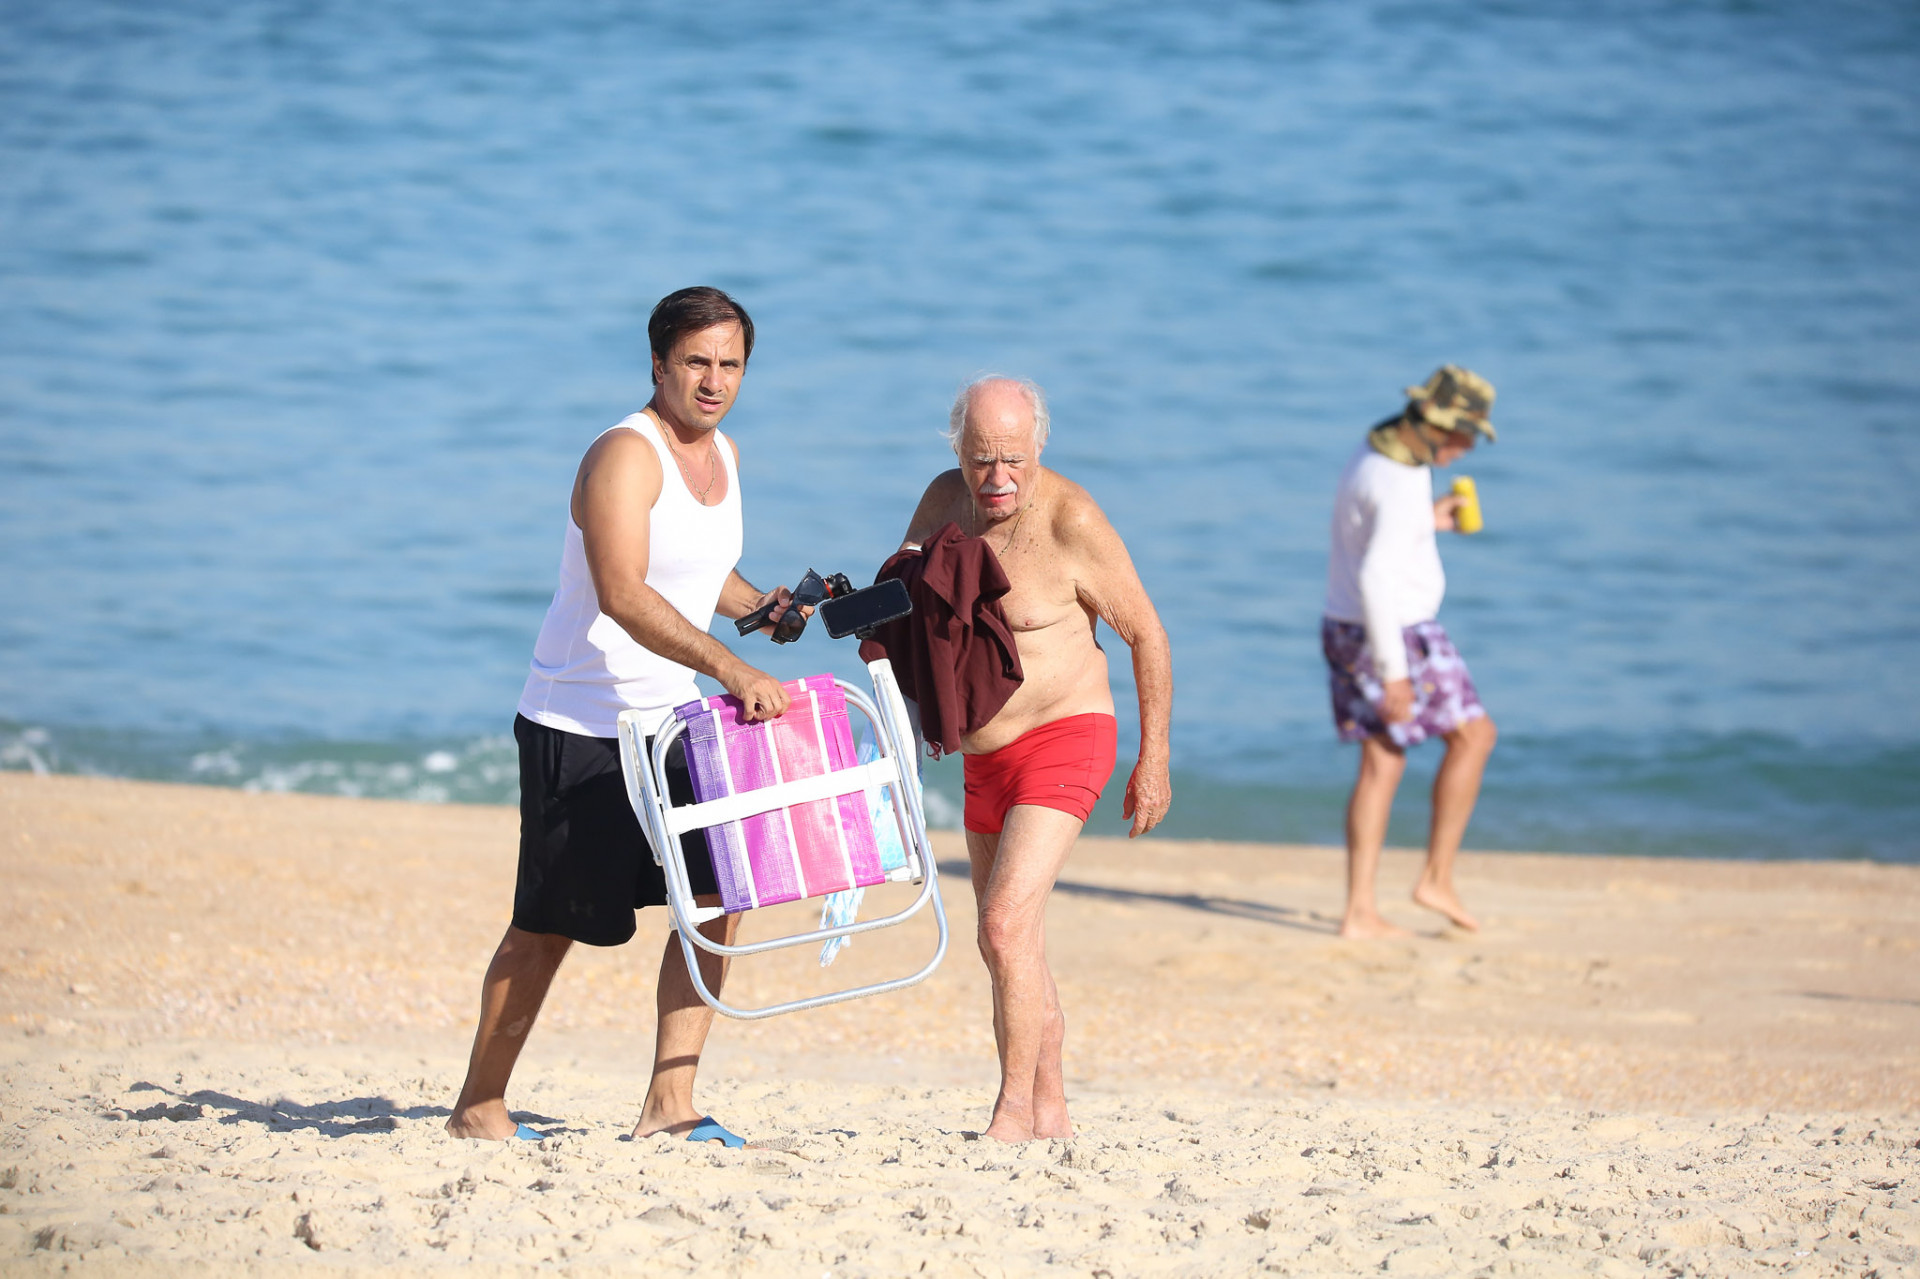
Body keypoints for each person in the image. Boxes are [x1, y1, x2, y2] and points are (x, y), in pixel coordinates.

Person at [446, 286, 800, 1145]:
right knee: (549, 926)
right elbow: (623, 591)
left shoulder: (724, 455)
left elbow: (698, 568)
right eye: (696, 362)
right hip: (580, 725)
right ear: (657, 363)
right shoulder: (624, 455)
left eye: (730, 365)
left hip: (674, 723)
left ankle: (670, 1105)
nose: (714, 381)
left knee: (716, 898)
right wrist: (731, 665)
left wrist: (760, 609)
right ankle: (478, 1105)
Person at [892, 376, 1173, 1142]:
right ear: (957, 449)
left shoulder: (1072, 519)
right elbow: (899, 598)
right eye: (981, 459)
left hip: (1066, 734)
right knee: (1011, 944)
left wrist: (1153, 758)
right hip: (982, 756)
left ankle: (1011, 1111)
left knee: (1004, 925)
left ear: (1039, 445)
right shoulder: (943, 500)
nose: (998, 478)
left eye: (1013, 459)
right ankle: (1051, 1109)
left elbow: (1146, 632)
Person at [1323, 365, 1500, 939]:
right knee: (1475, 736)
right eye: (1465, 435)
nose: (1467, 448)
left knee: (1382, 762)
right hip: (1395, 631)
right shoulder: (1401, 480)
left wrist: (1427, 521)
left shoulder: (1375, 452)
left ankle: (1360, 912)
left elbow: (1370, 532)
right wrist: (1394, 673)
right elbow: (1377, 576)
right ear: (1435, 425)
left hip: (1345, 623)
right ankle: (1436, 879)